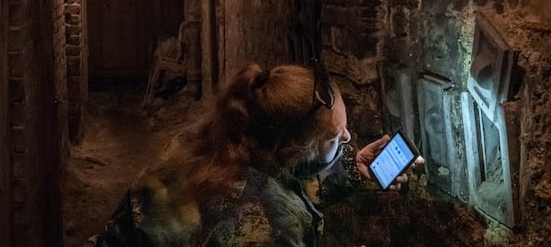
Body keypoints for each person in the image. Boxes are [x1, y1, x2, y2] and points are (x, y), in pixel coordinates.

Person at [88, 61, 423, 247]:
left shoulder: (203, 143)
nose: (349, 138)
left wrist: (351, 167)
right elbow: (263, 209)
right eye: (336, 139)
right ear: (293, 150)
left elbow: (278, 182)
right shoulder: (268, 230)